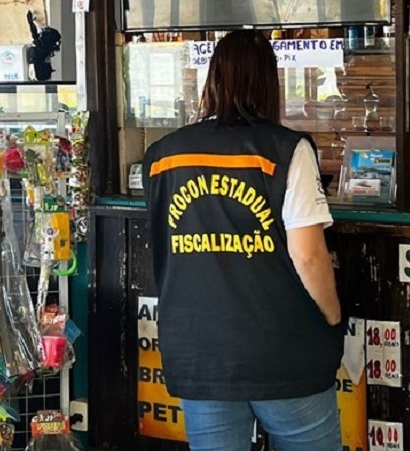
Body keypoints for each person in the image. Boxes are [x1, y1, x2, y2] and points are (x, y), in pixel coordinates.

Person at [143, 30, 343, 451]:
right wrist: (331, 316)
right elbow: (308, 255)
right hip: (282, 349)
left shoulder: (163, 155)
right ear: (269, 82)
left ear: (213, 79)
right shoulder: (287, 149)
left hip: (199, 349)